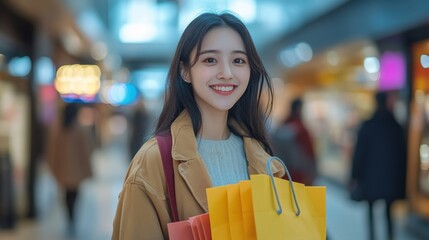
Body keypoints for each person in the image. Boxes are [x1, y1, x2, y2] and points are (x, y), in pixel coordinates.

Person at [112, 12, 285, 239]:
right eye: (210, 60)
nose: (227, 73)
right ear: (185, 71)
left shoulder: (262, 156)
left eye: (238, 60)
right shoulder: (153, 162)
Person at [349, 91, 407, 240]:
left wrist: (354, 175)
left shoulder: (367, 125)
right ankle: (390, 236)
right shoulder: (395, 126)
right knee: (389, 211)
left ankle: (372, 237)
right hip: (390, 178)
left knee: (370, 210)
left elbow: (359, 153)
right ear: (387, 102)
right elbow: (402, 156)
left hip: (370, 177)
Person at [46, 103, 93, 235]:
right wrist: (87, 167)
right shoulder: (80, 129)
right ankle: (72, 217)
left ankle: (69, 217)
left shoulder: (57, 128)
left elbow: (52, 150)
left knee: (66, 193)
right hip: (76, 168)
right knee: (74, 194)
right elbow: (86, 150)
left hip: (62, 167)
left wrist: (52, 165)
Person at [270, 97, 317, 185]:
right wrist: (312, 173)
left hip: (282, 172)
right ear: (299, 109)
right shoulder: (301, 129)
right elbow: (309, 153)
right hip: (298, 174)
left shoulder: (282, 125)